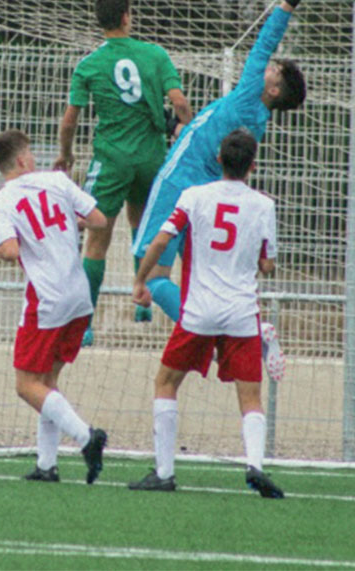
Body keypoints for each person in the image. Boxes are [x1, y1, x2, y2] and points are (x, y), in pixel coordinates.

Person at [130, 0, 334, 324]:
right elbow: (210, 142)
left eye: (274, 71)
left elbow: (264, 42)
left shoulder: (246, 99)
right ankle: (209, 324)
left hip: (179, 181)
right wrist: (177, 130)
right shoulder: (256, 123)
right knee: (190, 273)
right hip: (207, 189)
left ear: (272, 90)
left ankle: (195, 328)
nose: (267, 66)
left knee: (151, 274)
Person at [128, 129, 283, 497]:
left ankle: (164, 472)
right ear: (253, 166)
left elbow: (162, 239)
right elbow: (268, 264)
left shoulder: (194, 196)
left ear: (218, 161)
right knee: (250, 396)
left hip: (199, 310)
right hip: (243, 313)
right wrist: (256, 260)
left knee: (166, 382)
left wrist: (140, 280)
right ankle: (255, 466)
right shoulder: (264, 205)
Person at [53, 0, 194, 344]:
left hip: (112, 159)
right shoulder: (155, 55)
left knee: (97, 239)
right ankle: (143, 300)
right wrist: (185, 129)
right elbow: (178, 103)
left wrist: (65, 154)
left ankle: (84, 324)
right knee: (142, 226)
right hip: (151, 157)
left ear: (100, 20)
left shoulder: (90, 64)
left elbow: (70, 120)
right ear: (128, 17)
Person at [0, 129, 109, 485]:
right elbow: (99, 220)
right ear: (23, 160)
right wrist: (69, 224)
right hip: (78, 295)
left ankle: (87, 437)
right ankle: (46, 464)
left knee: (26, 386)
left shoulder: (0, 202)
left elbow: (9, 251)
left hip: (47, 299)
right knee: (47, 381)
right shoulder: (57, 180)